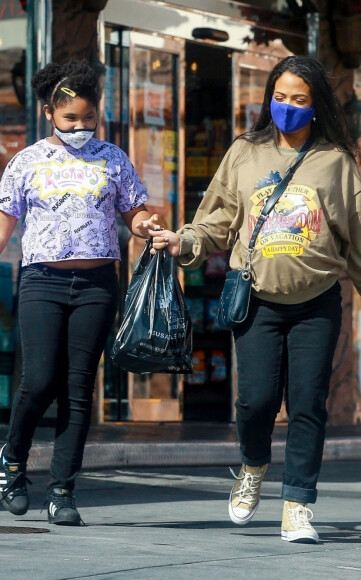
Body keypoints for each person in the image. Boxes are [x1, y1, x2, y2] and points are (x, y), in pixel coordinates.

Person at [150, 55, 361, 543]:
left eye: (299, 99)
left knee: (309, 403)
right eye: (280, 97)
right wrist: (183, 241)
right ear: (268, 98)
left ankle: (297, 505)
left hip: (317, 302)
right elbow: (217, 220)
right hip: (258, 301)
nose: (287, 107)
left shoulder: (335, 162)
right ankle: (252, 466)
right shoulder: (245, 153)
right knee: (255, 402)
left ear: (315, 106)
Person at [0, 60, 159, 525]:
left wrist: (146, 223)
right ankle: (12, 463)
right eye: (71, 119)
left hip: (97, 284)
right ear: (50, 112)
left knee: (78, 388)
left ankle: (63, 490)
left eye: (89, 119)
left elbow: (134, 211)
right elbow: (6, 221)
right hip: (41, 282)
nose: (81, 127)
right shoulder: (26, 162)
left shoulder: (112, 158)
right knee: (40, 377)